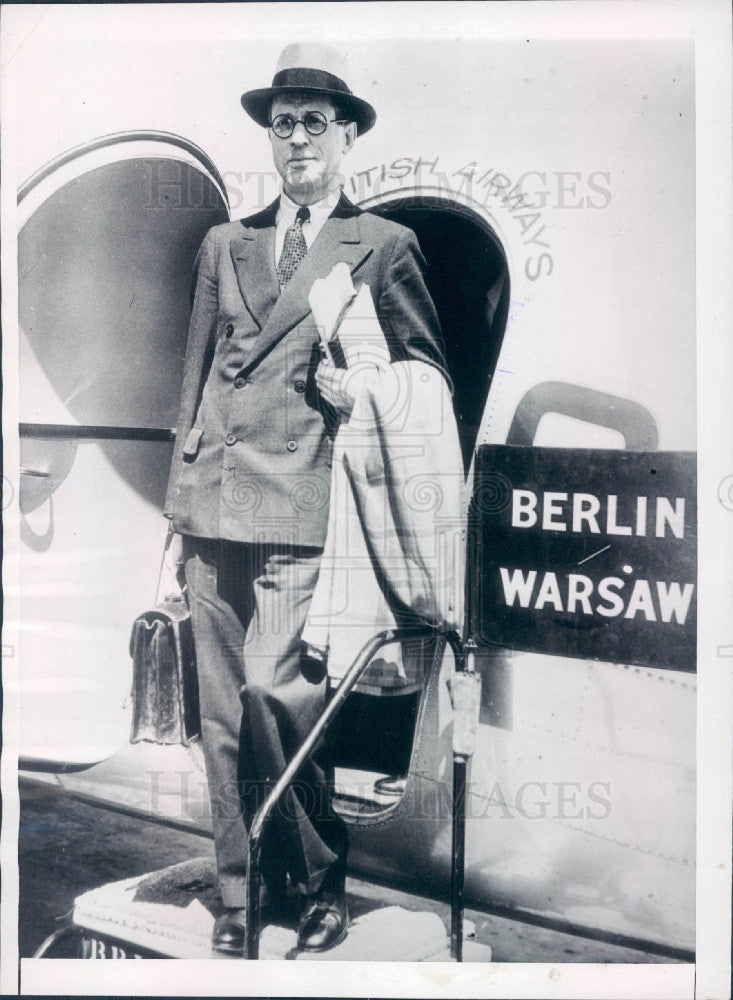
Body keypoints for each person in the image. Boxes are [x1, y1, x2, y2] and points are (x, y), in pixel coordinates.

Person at [163, 42, 450, 955]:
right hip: (211, 509)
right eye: (282, 125)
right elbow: (194, 382)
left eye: (315, 125)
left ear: (347, 137)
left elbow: (426, 379)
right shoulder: (225, 243)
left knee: (276, 698)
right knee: (216, 719)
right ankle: (240, 894)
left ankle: (320, 878)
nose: (297, 142)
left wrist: (357, 391)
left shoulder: (384, 246)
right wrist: (174, 512)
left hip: (302, 512)